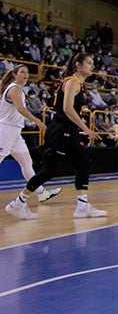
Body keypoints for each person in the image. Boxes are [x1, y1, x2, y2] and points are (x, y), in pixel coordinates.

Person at [7, 53, 105, 219]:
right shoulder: (72, 81)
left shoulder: (79, 84)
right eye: (89, 62)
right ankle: (18, 203)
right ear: (78, 65)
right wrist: (86, 129)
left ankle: (82, 206)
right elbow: (67, 108)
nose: (92, 66)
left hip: (70, 131)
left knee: (83, 164)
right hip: (60, 130)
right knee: (49, 171)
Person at [2, 65, 61, 219]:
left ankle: (42, 193)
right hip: (5, 130)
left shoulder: (18, 90)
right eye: (22, 72)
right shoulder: (14, 88)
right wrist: (37, 121)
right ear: (15, 74)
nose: (25, 75)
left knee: (27, 164)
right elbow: (20, 108)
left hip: (15, 132)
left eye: (27, 73)